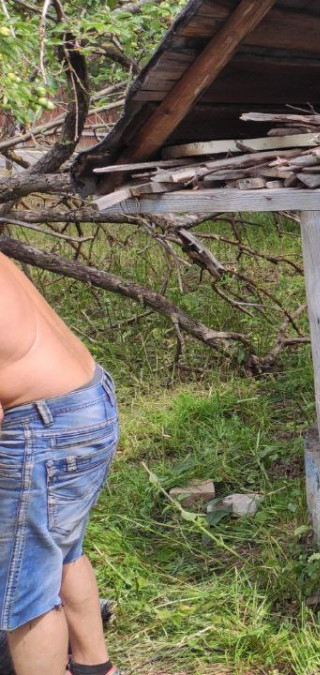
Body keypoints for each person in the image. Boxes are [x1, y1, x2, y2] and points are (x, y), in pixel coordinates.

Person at [0, 251, 119, 675]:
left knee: (23, 591)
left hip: (43, 423)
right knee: (64, 549)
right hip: (88, 399)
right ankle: (93, 668)